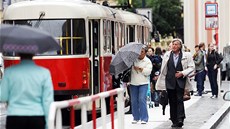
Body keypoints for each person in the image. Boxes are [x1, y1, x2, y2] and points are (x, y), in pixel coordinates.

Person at [0, 53, 54, 129]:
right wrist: (47, 123)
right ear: (34, 54)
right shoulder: (44, 73)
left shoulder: (9, 72)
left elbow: (3, 96)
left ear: (18, 54)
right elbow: (47, 101)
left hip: (15, 116)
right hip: (37, 116)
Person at [156, 38, 195, 128]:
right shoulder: (167, 55)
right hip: (169, 81)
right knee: (172, 101)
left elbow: (191, 67)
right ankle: (174, 120)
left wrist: (182, 73)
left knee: (179, 99)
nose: (174, 46)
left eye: (176, 44)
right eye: (173, 44)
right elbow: (163, 70)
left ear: (180, 46)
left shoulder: (186, 55)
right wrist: (161, 83)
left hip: (181, 81)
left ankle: (180, 118)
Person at [129, 45, 152, 124]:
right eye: (138, 52)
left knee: (142, 99)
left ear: (145, 53)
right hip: (133, 83)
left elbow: (148, 72)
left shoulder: (147, 61)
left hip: (143, 83)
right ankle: (136, 117)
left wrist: (140, 69)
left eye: (142, 52)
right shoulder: (133, 60)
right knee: (134, 100)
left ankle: (144, 118)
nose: (140, 53)